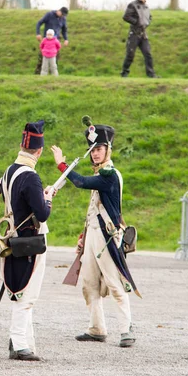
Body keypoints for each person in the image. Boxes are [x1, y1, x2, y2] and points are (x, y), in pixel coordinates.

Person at [51, 123, 137, 348]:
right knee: (89, 283)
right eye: (93, 149)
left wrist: (62, 164)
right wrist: (84, 234)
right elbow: (93, 207)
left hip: (107, 236)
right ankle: (97, 328)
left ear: (108, 149)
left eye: (99, 148)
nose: (96, 153)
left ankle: (126, 329)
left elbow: (81, 182)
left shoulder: (109, 174)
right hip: (93, 235)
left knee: (114, 283)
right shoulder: (101, 173)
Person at [0, 121, 54, 361]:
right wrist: (48, 199)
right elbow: (41, 214)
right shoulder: (31, 176)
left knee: (22, 291)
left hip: (14, 237)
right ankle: (19, 343)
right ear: (39, 150)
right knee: (26, 293)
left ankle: (24, 341)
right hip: (30, 239)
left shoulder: (8, 171)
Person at [121, 0, 158, 78]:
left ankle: (151, 74)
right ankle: (124, 73)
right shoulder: (133, 5)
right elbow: (126, 17)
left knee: (148, 54)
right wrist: (136, 22)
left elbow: (149, 17)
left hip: (143, 34)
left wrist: (147, 23)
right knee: (130, 54)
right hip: (134, 33)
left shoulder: (146, 7)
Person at [35, 7, 68, 75]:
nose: (62, 16)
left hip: (55, 42)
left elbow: (64, 30)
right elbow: (39, 23)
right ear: (59, 11)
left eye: (64, 15)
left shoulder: (63, 19)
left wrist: (66, 39)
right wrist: (38, 33)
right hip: (46, 41)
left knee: (54, 60)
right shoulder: (49, 15)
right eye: (62, 14)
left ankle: (53, 76)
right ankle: (39, 75)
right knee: (43, 59)